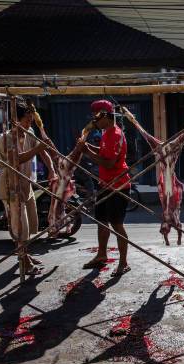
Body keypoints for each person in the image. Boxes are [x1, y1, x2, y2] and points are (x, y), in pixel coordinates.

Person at [0, 101, 55, 275]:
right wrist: (38, 147)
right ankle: (24, 261)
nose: (29, 124)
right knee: (19, 226)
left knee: (30, 225)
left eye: (31, 120)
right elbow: (16, 160)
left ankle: (26, 255)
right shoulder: (6, 137)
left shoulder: (30, 132)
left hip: (26, 184)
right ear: (15, 120)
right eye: (26, 120)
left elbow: (43, 152)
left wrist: (52, 170)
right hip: (11, 187)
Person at [79, 100, 131, 276]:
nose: (94, 122)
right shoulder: (105, 132)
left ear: (106, 116)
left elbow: (109, 163)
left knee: (117, 225)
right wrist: (87, 147)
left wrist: (86, 152)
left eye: (96, 118)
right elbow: (102, 152)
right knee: (101, 222)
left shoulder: (114, 134)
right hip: (104, 184)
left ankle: (123, 262)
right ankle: (101, 255)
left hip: (117, 186)